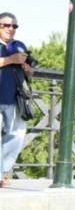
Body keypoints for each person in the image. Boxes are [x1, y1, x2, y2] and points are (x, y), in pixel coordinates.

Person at [0, 12, 33, 188]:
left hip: (14, 99)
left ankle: (3, 170)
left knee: (17, 135)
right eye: (5, 25)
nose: (10, 29)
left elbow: (30, 73)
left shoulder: (19, 45)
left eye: (14, 26)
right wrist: (10, 60)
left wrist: (27, 67)